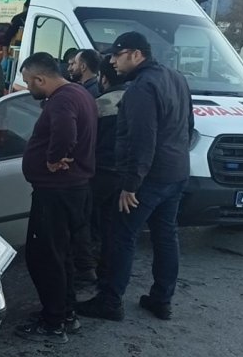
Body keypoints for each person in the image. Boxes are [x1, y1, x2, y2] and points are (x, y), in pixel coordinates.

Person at [77, 32, 193, 322]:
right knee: (166, 236)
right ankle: (161, 299)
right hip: (176, 173)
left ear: (136, 54)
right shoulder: (176, 77)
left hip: (148, 179)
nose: (112, 62)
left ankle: (110, 301)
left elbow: (142, 140)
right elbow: (188, 125)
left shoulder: (142, 88)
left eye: (117, 55)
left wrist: (130, 185)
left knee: (120, 236)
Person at [14, 52, 97, 344]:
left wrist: (53, 158)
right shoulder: (80, 93)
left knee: (44, 257)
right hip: (74, 189)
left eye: (28, 82)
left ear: (40, 79)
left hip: (56, 192)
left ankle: (52, 323)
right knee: (63, 255)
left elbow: (64, 130)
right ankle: (66, 315)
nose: (28, 88)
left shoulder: (61, 100)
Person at [89, 55, 127, 281]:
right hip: (127, 176)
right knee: (117, 229)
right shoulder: (137, 97)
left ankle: (96, 273)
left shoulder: (101, 104)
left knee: (95, 227)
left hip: (101, 173)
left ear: (103, 78)